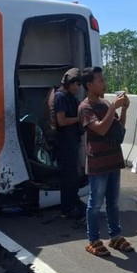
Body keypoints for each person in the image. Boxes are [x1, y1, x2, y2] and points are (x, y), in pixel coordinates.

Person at [78, 66, 133, 257]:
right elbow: (100, 129)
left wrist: (123, 110)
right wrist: (113, 107)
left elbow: (118, 131)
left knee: (113, 202)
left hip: (113, 160)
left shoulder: (104, 104)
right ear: (89, 84)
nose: (104, 83)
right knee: (95, 203)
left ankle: (115, 236)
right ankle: (93, 240)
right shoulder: (85, 107)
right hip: (98, 163)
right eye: (100, 80)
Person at [53, 68, 86, 220]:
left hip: (71, 141)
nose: (77, 87)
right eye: (76, 84)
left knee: (72, 176)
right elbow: (62, 120)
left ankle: (71, 205)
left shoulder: (69, 96)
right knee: (68, 177)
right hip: (65, 142)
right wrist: (79, 119)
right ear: (69, 82)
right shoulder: (61, 97)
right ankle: (68, 208)